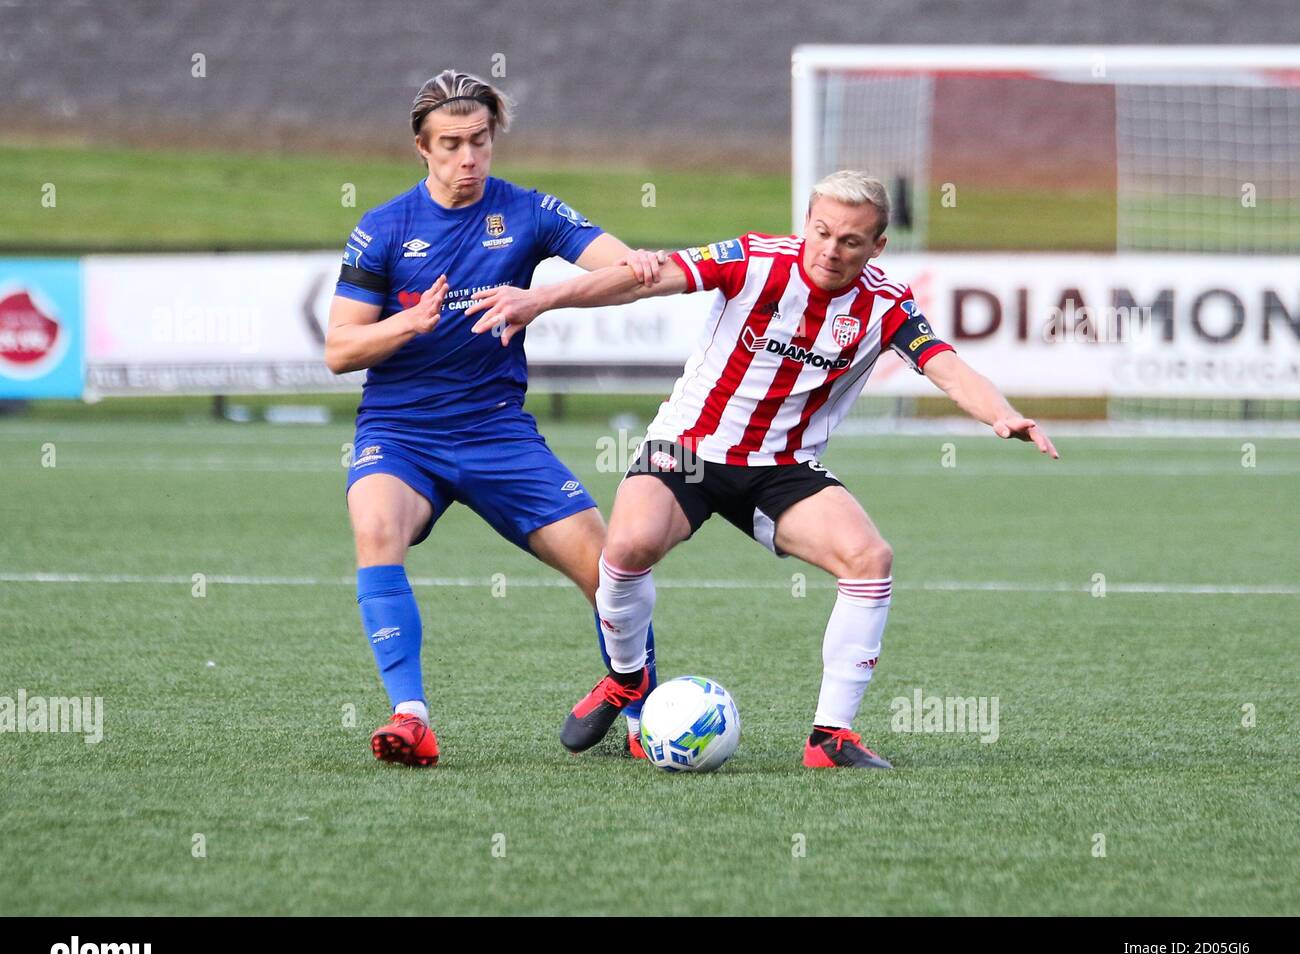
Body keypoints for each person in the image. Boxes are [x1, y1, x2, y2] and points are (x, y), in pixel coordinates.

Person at [467, 169, 1059, 768]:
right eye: (822, 231)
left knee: (869, 559)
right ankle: (627, 678)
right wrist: (539, 299)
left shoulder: (886, 304)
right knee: (626, 548)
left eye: (851, 241)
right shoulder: (754, 259)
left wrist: (1001, 414)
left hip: (782, 469)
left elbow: (946, 367)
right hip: (689, 449)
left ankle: (831, 738)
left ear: (877, 246)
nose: (831, 249)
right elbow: (643, 281)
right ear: (806, 222)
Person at [326, 69, 661, 766]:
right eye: (450, 144)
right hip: (400, 432)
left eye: (479, 140)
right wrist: (406, 326)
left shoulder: (531, 212)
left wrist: (543, 299)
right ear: (422, 147)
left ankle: (641, 712)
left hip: (496, 433)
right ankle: (410, 716)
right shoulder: (383, 228)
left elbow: (633, 272)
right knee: (375, 528)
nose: (468, 158)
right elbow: (339, 350)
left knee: (610, 567)